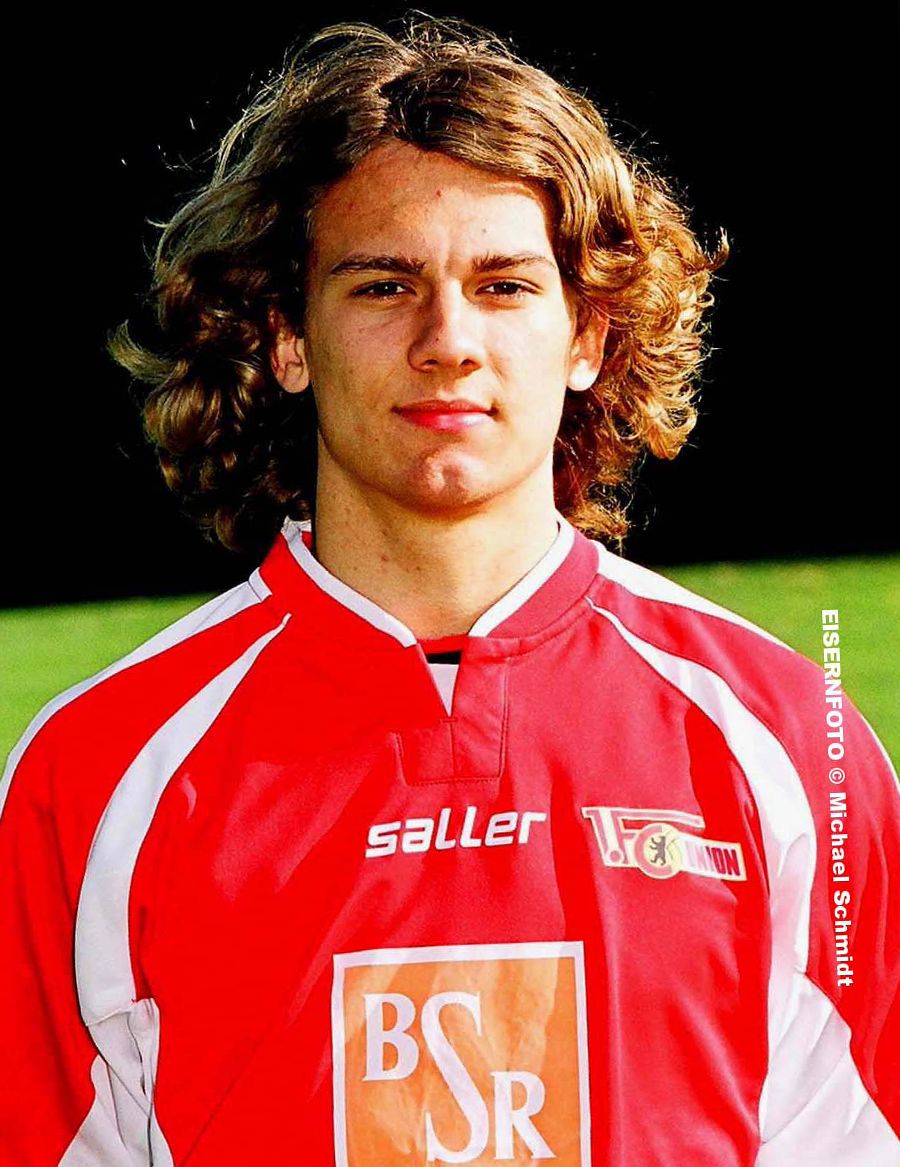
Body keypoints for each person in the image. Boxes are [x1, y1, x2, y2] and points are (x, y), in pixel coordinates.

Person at [1, 16, 897, 1167]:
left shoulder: (789, 744)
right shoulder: (97, 775)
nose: (448, 340)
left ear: (588, 333)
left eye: (504, 285)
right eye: (384, 285)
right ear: (288, 337)